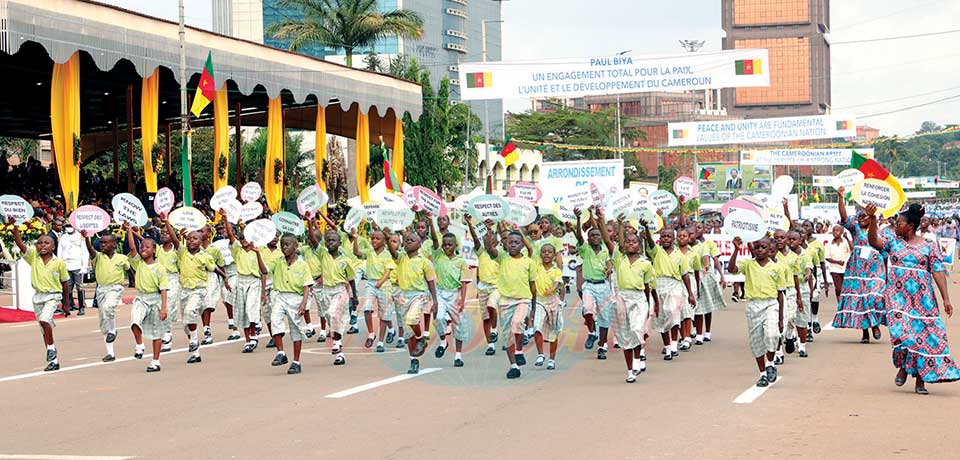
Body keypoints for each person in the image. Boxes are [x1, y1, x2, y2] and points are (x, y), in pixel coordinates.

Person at [866, 203, 959, 394]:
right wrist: (873, 219)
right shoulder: (893, 241)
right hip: (897, 298)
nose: (896, 225)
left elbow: (938, 272)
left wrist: (946, 299)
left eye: (899, 222)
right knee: (903, 332)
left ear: (909, 225)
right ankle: (903, 367)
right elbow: (874, 242)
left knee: (923, 337)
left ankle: (920, 381)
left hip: (923, 301)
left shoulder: (928, 246)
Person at [9, 218, 68, 372]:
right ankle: (53, 358)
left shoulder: (59, 263)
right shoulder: (33, 257)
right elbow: (21, 244)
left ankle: (50, 349)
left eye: (46, 243)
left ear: (53, 246)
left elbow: (65, 283)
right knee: (43, 327)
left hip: (53, 295)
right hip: (38, 297)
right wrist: (16, 227)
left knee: (45, 319)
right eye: (40, 243)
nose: (42, 245)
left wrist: (67, 304)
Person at [832, 187, 887, 343]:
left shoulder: (879, 230)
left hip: (874, 268)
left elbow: (883, 248)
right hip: (856, 268)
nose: (860, 218)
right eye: (858, 216)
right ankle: (865, 332)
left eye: (864, 216)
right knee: (859, 299)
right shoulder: (855, 228)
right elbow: (843, 216)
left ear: (871, 217)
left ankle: (875, 323)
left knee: (874, 296)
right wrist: (840, 197)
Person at [728, 237, 784, 387]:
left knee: (772, 335)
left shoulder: (776, 268)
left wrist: (780, 318)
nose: (760, 250)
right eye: (757, 247)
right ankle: (762, 374)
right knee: (756, 341)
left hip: (771, 303)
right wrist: (736, 250)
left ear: (769, 249)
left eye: (763, 247)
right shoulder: (748, 264)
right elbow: (732, 270)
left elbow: (780, 293)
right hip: (753, 305)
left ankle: (770, 363)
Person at [483, 229, 537, 380]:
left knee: (518, 323)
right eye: (510, 242)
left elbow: (533, 287)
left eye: (516, 242)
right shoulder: (502, 258)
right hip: (505, 301)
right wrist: (488, 232)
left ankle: (519, 352)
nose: (513, 245)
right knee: (508, 336)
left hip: (523, 300)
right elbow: (489, 248)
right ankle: (514, 366)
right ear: (505, 243)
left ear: (522, 245)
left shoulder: (529, 263)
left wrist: (532, 308)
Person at [609, 218, 659, 382]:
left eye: (634, 242)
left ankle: (638, 360)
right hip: (622, 297)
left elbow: (648, 287)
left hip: (638, 299)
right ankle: (630, 370)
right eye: (628, 241)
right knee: (625, 335)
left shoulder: (645, 264)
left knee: (637, 330)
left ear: (639, 245)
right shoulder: (619, 260)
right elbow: (609, 239)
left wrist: (654, 303)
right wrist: (620, 225)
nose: (630, 244)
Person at [164, 219, 217, 364]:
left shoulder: (205, 256)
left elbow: (213, 269)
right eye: (188, 239)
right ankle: (196, 352)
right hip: (184, 291)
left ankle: (194, 340)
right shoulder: (183, 253)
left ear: (201, 241)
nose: (191, 241)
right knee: (186, 324)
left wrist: (224, 278)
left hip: (198, 290)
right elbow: (175, 240)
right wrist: (167, 222)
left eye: (195, 238)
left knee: (189, 312)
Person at [641, 224, 695, 360]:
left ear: (673, 239)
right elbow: (650, 242)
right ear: (660, 239)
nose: (666, 239)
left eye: (669, 236)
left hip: (674, 285)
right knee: (661, 316)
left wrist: (690, 294)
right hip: (658, 284)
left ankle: (674, 344)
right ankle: (667, 346)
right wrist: (647, 229)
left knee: (673, 312)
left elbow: (685, 275)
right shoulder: (656, 251)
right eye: (663, 236)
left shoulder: (680, 256)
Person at [389, 229, 439, 375]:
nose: (408, 241)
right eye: (406, 240)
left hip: (420, 295)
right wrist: (388, 239)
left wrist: (435, 301)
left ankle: (421, 338)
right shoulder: (401, 258)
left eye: (412, 240)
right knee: (409, 332)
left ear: (419, 244)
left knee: (412, 319)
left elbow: (431, 282)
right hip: (404, 295)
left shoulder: (425, 262)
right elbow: (393, 252)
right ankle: (414, 360)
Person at [312, 214, 358, 366]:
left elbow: (351, 279)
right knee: (330, 317)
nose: (330, 243)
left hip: (339, 291)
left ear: (339, 243)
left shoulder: (345, 260)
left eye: (333, 240)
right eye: (328, 240)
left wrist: (354, 297)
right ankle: (339, 352)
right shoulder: (323, 254)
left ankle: (336, 343)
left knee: (333, 313)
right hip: (326, 291)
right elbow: (313, 239)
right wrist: (311, 220)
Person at [123, 223, 168, 372]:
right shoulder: (138, 263)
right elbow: (132, 248)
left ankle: (155, 361)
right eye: (142, 246)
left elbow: (163, 289)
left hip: (155, 300)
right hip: (141, 298)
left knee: (157, 332)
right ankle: (139, 345)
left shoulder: (159, 268)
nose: (143, 249)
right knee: (135, 321)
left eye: (147, 247)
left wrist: (163, 307)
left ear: (154, 250)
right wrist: (129, 230)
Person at [267, 233, 314, 375]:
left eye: (287, 244)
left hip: (296, 298)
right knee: (274, 319)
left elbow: (307, 286)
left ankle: (296, 362)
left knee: (295, 329)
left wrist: (303, 305)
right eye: (282, 245)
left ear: (296, 246)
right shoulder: (278, 262)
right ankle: (281, 353)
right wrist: (257, 253)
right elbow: (264, 270)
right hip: (281, 296)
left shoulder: (302, 265)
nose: (284, 247)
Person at [572, 207, 614, 358]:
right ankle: (591, 332)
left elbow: (609, 262)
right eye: (592, 235)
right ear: (588, 239)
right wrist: (578, 219)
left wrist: (609, 269)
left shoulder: (605, 250)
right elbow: (578, 237)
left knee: (604, 317)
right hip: (589, 285)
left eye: (598, 234)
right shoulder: (585, 249)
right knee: (587, 309)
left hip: (603, 286)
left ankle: (602, 347)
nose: (596, 237)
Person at [84, 229, 130, 362]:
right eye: (101, 243)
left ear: (114, 244)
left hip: (115, 288)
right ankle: (110, 352)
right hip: (101, 289)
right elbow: (90, 250)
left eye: (106, 243)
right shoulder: (98, 257)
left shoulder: (122, 258)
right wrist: (87, 238)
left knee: (109, 307)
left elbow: (130, 271)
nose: (102, 245)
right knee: (103, 320)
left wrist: (136, 282)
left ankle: (113, 330)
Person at [428, 225, 471, 367]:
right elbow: (434, 238)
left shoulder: (461, 262)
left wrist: (462, 301)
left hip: (454, 294)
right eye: (444, 244)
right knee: (439, 317)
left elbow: (464, 282)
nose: (446, 247)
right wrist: (430, 221)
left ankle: (458, 355)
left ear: (455, 245)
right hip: (440, 292)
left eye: (450, 244)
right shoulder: (438, 256)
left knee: (458, 324)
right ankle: (443, 341)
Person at [223, 214, 266, 354]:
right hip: (241, 282)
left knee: (250, 309)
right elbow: (230, 234)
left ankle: (254, 335)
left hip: (253, 282)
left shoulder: (257, 251)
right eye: (241, 238)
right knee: (242, 313)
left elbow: (263, 270)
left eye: (245, 238)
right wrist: (225, 217)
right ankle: (248, 341)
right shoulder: (237, 250)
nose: (243, 241)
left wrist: (258, 253)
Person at [353, 226, 397, 353]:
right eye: (372, 238)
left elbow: (388, 270)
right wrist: (355, 239)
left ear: (384, 241)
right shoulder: (369, 252)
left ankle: (381, 341)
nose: (374, 241)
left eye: (378, 238)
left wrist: (381, 281)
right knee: (367, 308)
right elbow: (357, 253)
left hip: (384, 284)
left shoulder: (387, 254)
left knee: (384, 314)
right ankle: (371, 333)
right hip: (371, 283)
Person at [466, 214, 500, 356]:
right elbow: (475, 238)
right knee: (485, 317)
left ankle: (494, 329)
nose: (488, 238)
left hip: (496, 287)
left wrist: (493, 226)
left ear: (497, 242)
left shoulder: (500, 253)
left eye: (491, 236)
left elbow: (500, 232)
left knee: (492, 305)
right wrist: (469, 223)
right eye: (486, 237)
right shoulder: (481, 252)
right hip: (483, 287)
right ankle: (490, 344)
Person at [531, 243, 563, 370]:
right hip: (539, 300)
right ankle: (540, 354)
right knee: (537, 327)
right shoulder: (536, 267)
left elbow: (557, 283)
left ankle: (552, 359)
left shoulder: (556, 271)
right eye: (544, 251)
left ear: (554, 256)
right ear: (540, 255)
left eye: (549, 252)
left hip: (553, 301)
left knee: (553, 332)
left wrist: (552, 289)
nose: (546, 254)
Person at [156, 217, 181, 352]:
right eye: (162, 233)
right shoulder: (158, 249)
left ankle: (167, 334)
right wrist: (132, 231)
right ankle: (165, 339)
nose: (164, 234)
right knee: (159, 309)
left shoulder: (176, 249)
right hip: (159, 281)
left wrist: (166, 222)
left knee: (169, 306)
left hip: (172, 280)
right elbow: (144, 243)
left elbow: (176, 240)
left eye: (167, 232)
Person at [57, 224, 88, 316]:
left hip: (78, 265)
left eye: (70, 226)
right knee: (67, 288)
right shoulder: (63, 237)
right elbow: (60, 252)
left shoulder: (80, 237)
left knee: (80, 288)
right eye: (66, 226)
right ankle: (67, 306)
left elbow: (85, 252)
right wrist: (60, 265)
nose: (68, 228)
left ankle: (81, 307)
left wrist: (84, 266)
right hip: (66, 265)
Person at [825, 225, 852, 299]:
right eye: (834, 230)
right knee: (838, 288)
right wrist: (837, 262)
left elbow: (852, 249)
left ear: (842, 232)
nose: (835, 232)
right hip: (834, 269)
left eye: (837, 230)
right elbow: (827, 257)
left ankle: (845, 305)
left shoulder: (845, 242)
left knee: (846, 288)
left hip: (846, 268)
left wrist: (846, 238)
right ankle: (839, 305)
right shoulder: (829, 244)